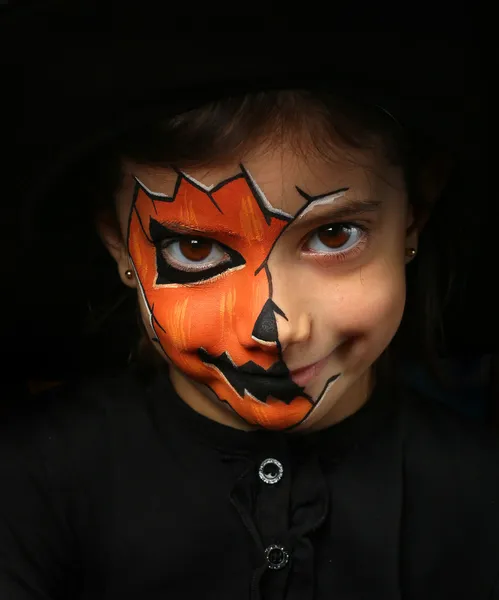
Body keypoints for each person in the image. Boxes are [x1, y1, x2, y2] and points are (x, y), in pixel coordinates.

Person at [2, 85, 499, 600]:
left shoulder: (481, 494)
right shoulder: (27, 480)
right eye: (194, 248)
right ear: (118, 243)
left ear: (412, 219)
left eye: (335, 236)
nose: (280, 331)